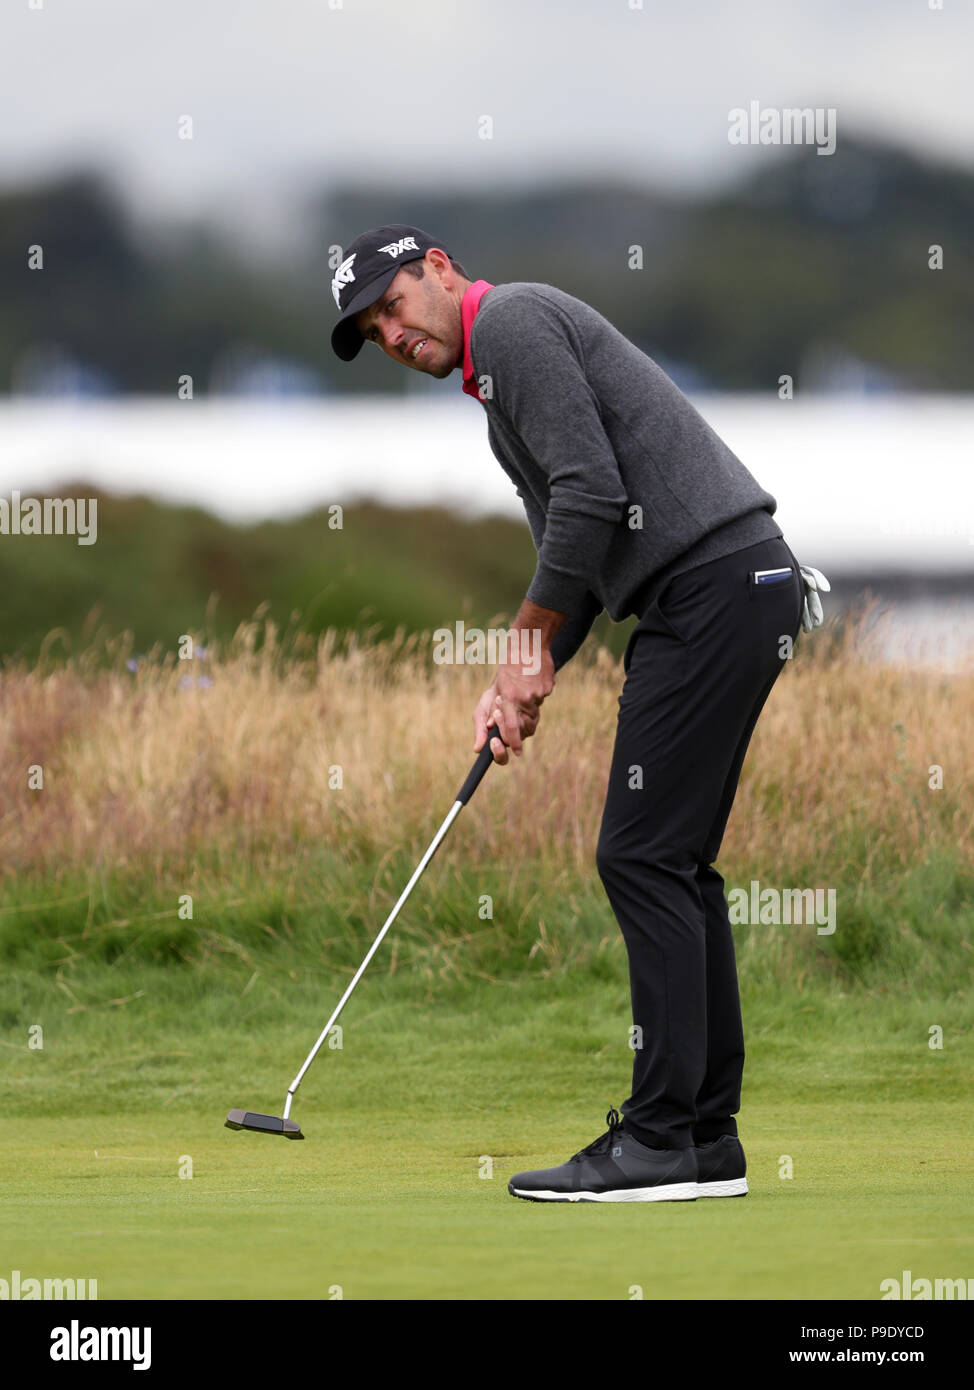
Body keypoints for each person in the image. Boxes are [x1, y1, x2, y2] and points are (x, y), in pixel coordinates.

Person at [331, 223, 828, 1204]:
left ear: (438, 269)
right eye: (371, 331)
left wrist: (520, 648)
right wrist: (522, 675)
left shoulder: (509, 322)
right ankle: (700, 1138)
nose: (390, 334)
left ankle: (655, 1142)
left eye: (390, 305)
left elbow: (590, 494)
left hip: (714, 589)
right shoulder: (493, 389)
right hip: (728, 588)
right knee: (671, 860)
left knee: (641, 856)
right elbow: (584, 556)